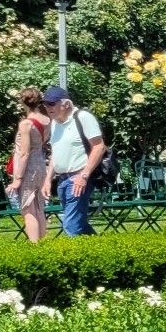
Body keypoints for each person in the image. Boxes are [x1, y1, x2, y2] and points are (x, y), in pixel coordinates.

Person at [43, 85, 106, 237]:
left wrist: (84, 175)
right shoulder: (54, 123)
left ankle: (75, 259)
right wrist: (47, 180)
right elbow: (56, 154)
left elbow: (99, 147)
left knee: (71, 225)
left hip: (79, 177)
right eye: (45, 104)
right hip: (63, 180)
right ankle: (105, 250)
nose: (47, 107)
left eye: (51, 103)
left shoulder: (83, 117)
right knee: (80, 224)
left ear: (66, 104)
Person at [4, 87, 52, 243]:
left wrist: (17, 179)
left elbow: (24, 153)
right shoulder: (46, 120)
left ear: (22, 101)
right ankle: (41, 241)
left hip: (28, 168)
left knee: (27, 208)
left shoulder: (26, 123)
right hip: (40, 164)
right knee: (38, 206)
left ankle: (34, 246)